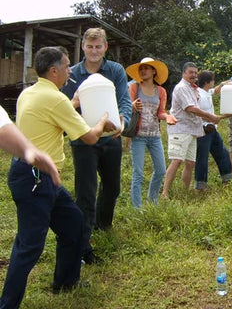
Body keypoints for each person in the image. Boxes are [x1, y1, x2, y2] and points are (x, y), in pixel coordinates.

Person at [0, 47, 111, 308]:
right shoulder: (56, 100)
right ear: (54, 71)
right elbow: (90, 136)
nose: (69, 71)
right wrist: (104, 120)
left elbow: (50, 119)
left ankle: (65, 282)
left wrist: (74, 106)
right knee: (29, 246)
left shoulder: (29, 93)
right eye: (66, 66)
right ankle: (7, 304)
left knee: (72, 224)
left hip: (38, 176)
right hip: (35, 179)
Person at [61, 27, 132, 265]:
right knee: (86, 192)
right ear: (83, 47)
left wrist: (123, 121)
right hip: (83, 140)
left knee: (112, 188)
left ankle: (104, 225)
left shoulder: (115, 71)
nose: (93, 51)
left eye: (98, 46)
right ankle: (84, 243)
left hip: (111, 137)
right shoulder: (70, 74)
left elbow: (124, 99)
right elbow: (65, 107)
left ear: (105, 47)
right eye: (89, 46)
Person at [162, 63, 221, 197]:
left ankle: (185, 191)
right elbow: (190, 108)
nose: (194, 75)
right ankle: (164, 193)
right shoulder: (181, 87)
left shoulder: (192, 88)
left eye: (195, 73)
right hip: (180, 129)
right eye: (191, 72)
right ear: (184, 73)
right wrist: (210, 116)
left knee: (190, 163)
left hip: (192, 130)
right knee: (177, 160)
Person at [125, 57, 177, 208]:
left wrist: (167, 116)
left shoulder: (160, 91)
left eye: (146, 68)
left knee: (160, 170)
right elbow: (126, 107)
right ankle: (137, 208)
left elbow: (160, 112)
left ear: (154, 71)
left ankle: (152, 200)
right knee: (138, 174)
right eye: (141, 68)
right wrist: (132, 105)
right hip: (138, 136)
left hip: (155, 136)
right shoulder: (134, 88)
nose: (143, 71)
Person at [194, 70, 232, 190]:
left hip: (212, 130)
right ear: (207, 82)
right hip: (203, 130)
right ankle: (200, 186)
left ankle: (227, 179)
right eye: (212, 80)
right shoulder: (197, 95)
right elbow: (196, 113)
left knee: (223, 154)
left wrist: (223, 84)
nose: (213, 82)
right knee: (202, 159)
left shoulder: (207, 91)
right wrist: (211, 118)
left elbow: (215, 90)